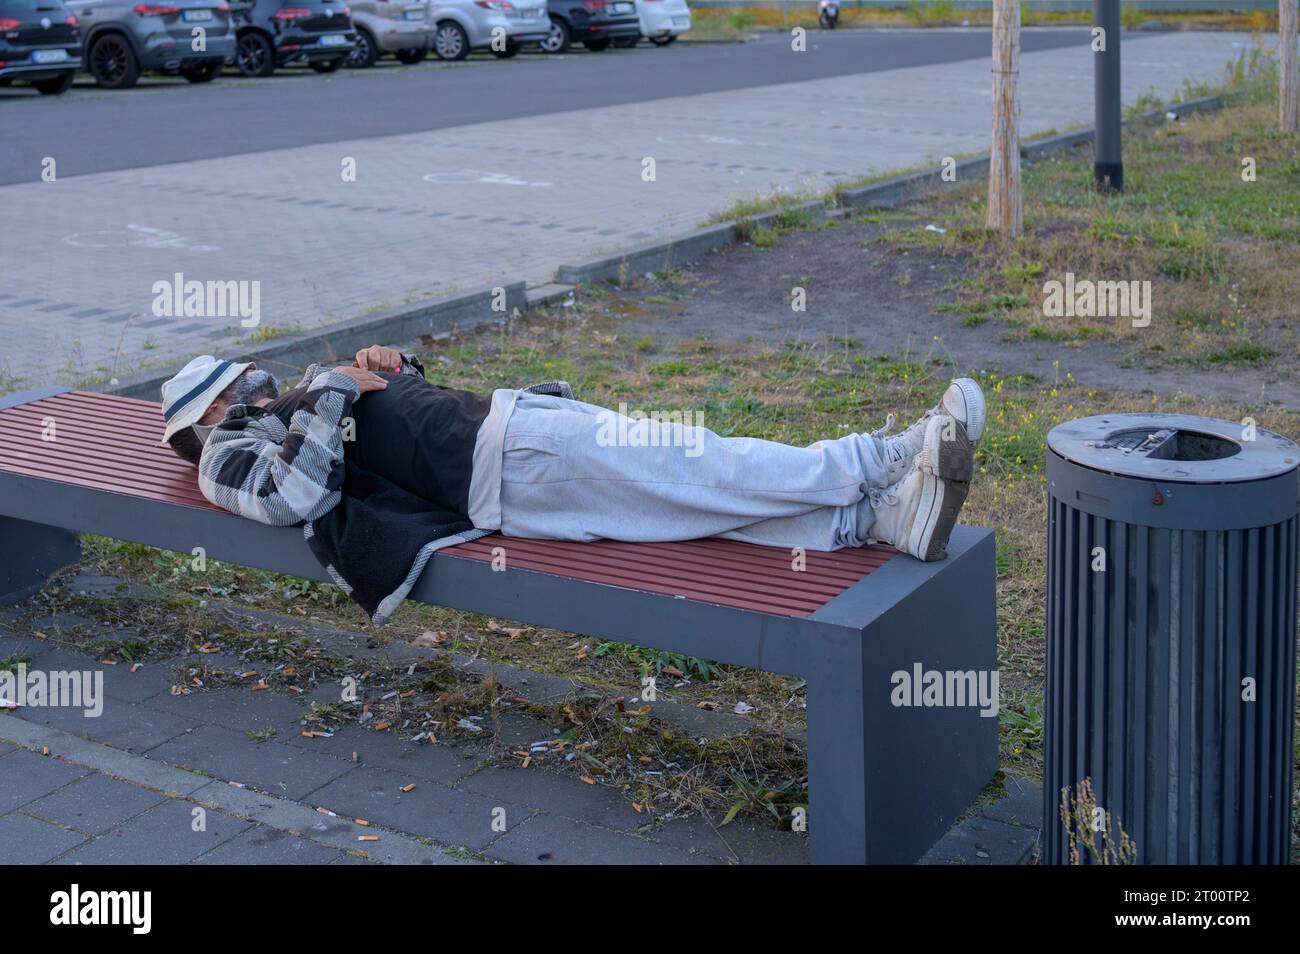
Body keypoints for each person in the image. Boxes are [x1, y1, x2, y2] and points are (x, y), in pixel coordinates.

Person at [159, 344, 984, 622]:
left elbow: (379, 426)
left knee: (687, 502)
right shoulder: (226, 453)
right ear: (203, 421)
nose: (252, 391)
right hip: (503, 455)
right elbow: (292, 498)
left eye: (247, 380)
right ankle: (874, 461)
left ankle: (871, 521)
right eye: (233, 392)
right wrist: (335, 386)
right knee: (695, 460)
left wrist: (391, 364)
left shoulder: (286, 405)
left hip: (508, 447)